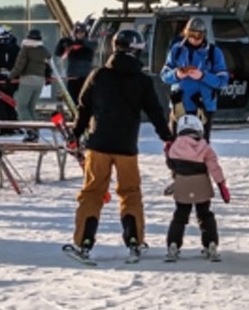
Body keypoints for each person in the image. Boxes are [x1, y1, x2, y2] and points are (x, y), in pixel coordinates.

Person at [63, 28, 175, 265]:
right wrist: (167, 136)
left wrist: (75, 134)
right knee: (130, 193)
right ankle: (134, 241)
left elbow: (84, 107)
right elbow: (155, 111)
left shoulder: (98, 75)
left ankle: (83, 243)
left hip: (98, 145)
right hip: (126, 147)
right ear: (137, 51)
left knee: (92, 193)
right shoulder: (142, 80)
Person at [162, 112, 229, 262]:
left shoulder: (175, 147)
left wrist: (167, 153)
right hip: (202, 185)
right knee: (205, 215)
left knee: (180, 216)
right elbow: (214, 168)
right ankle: (211, 243)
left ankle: (173, 244)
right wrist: (221, 184)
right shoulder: (205, 147)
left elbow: (171, 165)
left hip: (183, 185)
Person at [160, 15, 229, 137]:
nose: (195, 39)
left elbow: (222, 81)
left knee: (200, 144)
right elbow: (164, 75)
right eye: (191, 35)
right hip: (180, 105)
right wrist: (176, 74)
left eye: (199, 36)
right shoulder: (177, 50)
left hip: (202, 106)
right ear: (186, 33)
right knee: (177, 143)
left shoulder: (213, 52)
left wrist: (202, 76)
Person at [10, 29, 52, 139]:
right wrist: (48, 77)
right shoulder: (44, 51)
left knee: (21, 106)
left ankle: (30, 130)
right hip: (40, 81)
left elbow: (19, 66)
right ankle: (36, 130)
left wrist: (10, 77)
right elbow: (48, 66)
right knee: (31, 107)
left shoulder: (26, 49)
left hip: (27, 80)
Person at [55, 23, 96, 105]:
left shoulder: (90, 43)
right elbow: (58, 53)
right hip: (73, 76)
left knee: (85, 100)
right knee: (73, 100)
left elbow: (91, 45)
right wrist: (62, 42)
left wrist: (76, 43)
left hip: (85, 77)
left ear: (85, 33)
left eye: (82, 32)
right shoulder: (71, 44)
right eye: (78, 32)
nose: (80, 34)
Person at [0, 27, 20, 121]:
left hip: (11, 81)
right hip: (0, 81)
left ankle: (10, 122)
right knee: (0, 102)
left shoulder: (15, 49)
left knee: (9, 102)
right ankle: (5, 123)